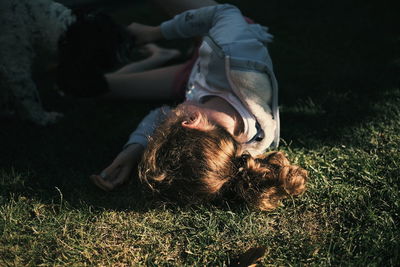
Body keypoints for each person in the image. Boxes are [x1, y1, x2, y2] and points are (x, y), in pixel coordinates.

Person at [90, 0, 308, 211]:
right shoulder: (236, 54)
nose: (166, 114)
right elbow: (224, 12)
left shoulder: (218, 144)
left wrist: (133, 149)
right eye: (169, 118)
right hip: (218, 40)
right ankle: (162, 47)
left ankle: (161, 55)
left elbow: (158, 115)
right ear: (190, 122)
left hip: (193, 79)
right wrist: (155, 32)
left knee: (91, 88)